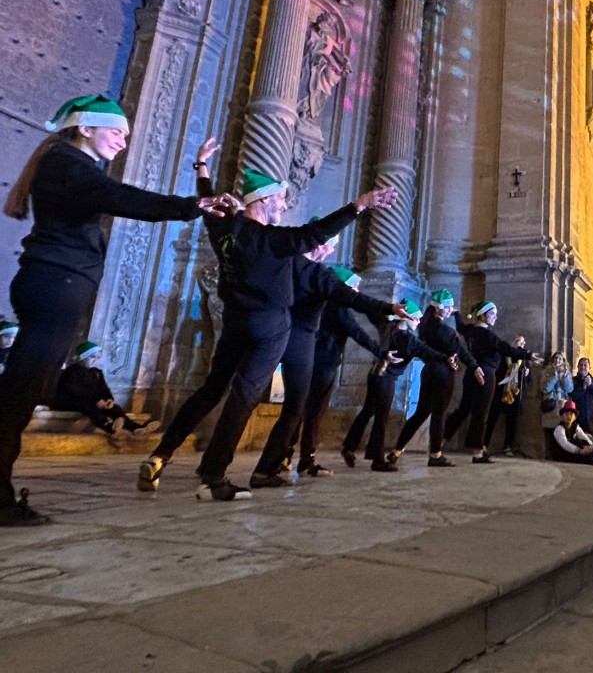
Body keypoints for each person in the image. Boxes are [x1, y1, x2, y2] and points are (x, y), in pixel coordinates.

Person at [0, 94, 231, 525]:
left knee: (32, 386)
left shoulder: (69, 165)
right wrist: (190, 205)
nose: (123, 142)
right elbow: (117, 196)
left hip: (57, 283)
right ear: (85, 127)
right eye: (117, 132)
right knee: (21, 392)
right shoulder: (65, 163)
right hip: (55, 282)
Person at [138, 148, 398, 500]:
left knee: (212, 389)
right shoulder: (271, 241)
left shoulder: (225, 229)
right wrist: (359, 205)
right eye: (278, 198)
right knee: (243, 397)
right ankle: (214, 478)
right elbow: (315, 234)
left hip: (235, 322)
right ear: (261, 200)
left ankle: (160, 455)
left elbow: (207, 201)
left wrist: (202, 168)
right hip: (270, 326)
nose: (283, 205)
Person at [250, 261, 404, 487]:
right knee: (310, 414)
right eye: (355, 286)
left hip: (312, 361)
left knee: (300, 412)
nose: (357, 291)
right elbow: (357, 333)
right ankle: (299, 459)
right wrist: (382, 352)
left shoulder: (322, 302)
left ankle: (290, 457)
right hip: (323, 365)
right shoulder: (337, 308)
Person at [341, 299, 457, 471]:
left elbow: (372, 311)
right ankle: (378, 460)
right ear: (405, 317)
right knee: (382, 418)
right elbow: (427, 351)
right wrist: (446, 358)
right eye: (416, 318)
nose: (418, 322)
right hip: (386, 378)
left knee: (367, 411)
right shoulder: (408, 339)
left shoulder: (387, 326)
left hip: (374, 375)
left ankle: (349, 447)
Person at [387, 290, 482, 468]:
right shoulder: (443, 329)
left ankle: (397, 450)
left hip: (429, 370)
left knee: (421, 413)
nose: (451, 310)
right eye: (448, 307)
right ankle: (436, 454)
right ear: (439, 308)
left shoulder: (424, 325)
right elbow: (459, 350)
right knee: (439, 414)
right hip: (443, 372)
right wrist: (474, 365)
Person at [444, 301, 541, 463]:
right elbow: (506, 348)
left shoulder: (470, 331)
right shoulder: (488, 335)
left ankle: (439, 441)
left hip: (471, 372)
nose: (495, 316)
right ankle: (477, 452)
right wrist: (528, 355)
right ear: (483, 315)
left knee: (463, 409)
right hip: (486, 374)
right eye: (492, 314)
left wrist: (456, 313)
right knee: (481, 412)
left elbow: (460, 326)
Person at [55, 341, 160, 437]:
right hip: (70, 401)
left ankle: (136, 428)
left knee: (114, 408)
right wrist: (96, 400)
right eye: (93, 357)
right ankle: (109, 427)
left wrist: (109, 399)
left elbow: (104, 389)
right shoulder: (72, 370)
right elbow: (77, 390)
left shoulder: (96, 372)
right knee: (90, 407)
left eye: (98, 357)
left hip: (91, 400)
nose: (96, 360)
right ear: (83, 358)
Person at [483, 334, 532, 456]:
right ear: (512, 342)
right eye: (517, 341)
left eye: (521, 342)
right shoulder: (504, 355)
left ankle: (508, 446)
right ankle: (484, 444)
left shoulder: (524, 358)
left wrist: (527, 374)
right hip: (500, 390)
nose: (519, 344)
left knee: (511, 420)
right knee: (492, 418)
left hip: (514, 392)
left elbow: (529, 381)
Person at [541, 352, 573, 456]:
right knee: (550, 430)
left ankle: (560, 454)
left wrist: (564, 377)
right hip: (551, 404)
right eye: (556, 358)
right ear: (552, 360)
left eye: (560, 358)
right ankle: (549, 454)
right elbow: (545, 389)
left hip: (562, 406)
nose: (558, 360)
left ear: (563, 361)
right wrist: (554, 377)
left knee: (561, 430)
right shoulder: (546, 371)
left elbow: (569, 389)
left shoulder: (567, 372)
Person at [550, 399, 593, 464]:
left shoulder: (575, 427)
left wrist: (589, 446)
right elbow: (565, 444)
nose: (569, 416)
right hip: (562, 455)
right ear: (562, 416)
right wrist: (579, 451)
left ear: (574, 417)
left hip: (572, 452)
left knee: (586, 446)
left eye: (571, 414)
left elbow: (584, 437)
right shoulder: (559, 429)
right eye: (566, 413)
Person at [569, 357, 593, 433]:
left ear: (589, 367)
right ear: (577, 367)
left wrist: (591, 385)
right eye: (581, 365)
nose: (583, 367)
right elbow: (572, 396)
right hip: (577, 419)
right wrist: (583, 389)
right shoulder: (573, 381)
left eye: (585, 365)